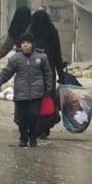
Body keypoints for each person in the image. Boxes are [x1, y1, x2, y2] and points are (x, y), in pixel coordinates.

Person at [0, 32, 52, 147]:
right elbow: (6, 72)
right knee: (22, 118)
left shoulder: (41, 57)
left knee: (33, 115)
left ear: (32, 44)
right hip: (21, 93)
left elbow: (48, 74)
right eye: (23, 43)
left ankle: (32, 136)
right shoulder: (16, 59)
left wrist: (48, 89)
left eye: (28, 43)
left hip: (36, 94)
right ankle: (23, 138)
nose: (25, 45)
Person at [29, 9, 65, 138]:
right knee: (46, 100)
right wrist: (61, 76)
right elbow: (58, 56)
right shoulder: (52, 32)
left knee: (35, 100)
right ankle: (43, 126)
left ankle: (38, 127)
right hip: (49, 73)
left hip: (33, 74)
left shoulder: (30, 34)